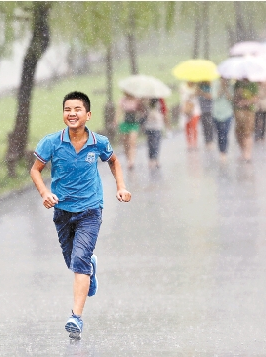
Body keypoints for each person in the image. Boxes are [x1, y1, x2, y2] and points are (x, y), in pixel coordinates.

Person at [30, 91, 132, 340]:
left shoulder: (99, 142)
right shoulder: (51, 142)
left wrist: (121, 186)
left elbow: (114, 161)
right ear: (63, 114)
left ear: (88, 115)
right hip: (62, 210)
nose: (72, 113)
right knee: (73, 262)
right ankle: (90, 269)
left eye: (77, 109)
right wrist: (44, 193)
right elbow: (35, 170)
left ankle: (75, 316)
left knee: (79, 262)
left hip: (90, 209)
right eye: (67, 109)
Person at [233, 78, 259, 162]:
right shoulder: (237, 83)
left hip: (249, 111)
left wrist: (246, 102)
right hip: (238, 111)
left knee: (247, 132)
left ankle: (248, 153)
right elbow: (233, 97)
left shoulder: (252, 84)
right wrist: (238, 93)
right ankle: (243, 151)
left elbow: (255, 98)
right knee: (238, 133)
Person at [117, 91, 143, 170]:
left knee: (132, 142)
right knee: (125, 142)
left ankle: (131, 161)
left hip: (134, 123)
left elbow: (141, 110)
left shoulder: (137, 100)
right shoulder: (123, 100)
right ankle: (128, 158)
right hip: (125, 122)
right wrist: (116, 119)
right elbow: (120, 110)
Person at [212, 77, 234, 161]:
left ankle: (224, 151)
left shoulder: (230, 86)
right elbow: (215, 97)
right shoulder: (215, 84)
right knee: (219, 134)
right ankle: (221, 150)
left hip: (227, 113)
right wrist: (221, 88)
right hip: (217, 113)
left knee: (225, 133)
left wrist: (226, 89)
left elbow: (231, 98)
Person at [143, 98, 165, 170]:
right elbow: (143, 113)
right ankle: (151, 159)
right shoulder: (146, 102)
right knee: (151, 143)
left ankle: (155, 159)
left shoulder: (159, 101)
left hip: (157, 126)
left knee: (156, 143)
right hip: (149, 126)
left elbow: (164, 111)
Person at [179, 81, 201, 150]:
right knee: (187, 127)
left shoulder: (196, 87)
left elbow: (198, 96)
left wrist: (195, 94)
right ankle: (189, 143)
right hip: (186, 109)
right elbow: (182, 98)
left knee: (194, 127)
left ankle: (194, 143)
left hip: (195, 110)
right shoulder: (183, 86)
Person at [197, 81, 216, 149]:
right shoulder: (199, 87)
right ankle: (207, 141)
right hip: (202, 109)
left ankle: (211, 140)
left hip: (210, 109)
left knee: (210, 125)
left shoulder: (211, 87)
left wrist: (203, 93)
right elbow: (196, 95)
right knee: (204, 126)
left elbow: (211, 96)